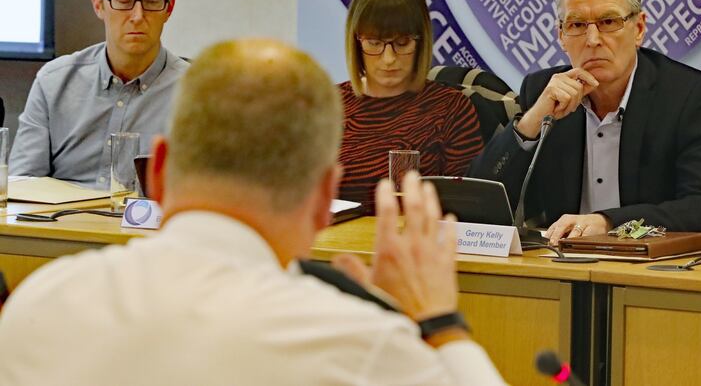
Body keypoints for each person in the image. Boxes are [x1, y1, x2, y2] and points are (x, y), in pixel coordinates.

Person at [0, 39, 505, 385]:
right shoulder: (354, 342)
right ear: (322, 197)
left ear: (157, 172)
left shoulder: (37, 303)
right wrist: (439, 322)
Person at [470, 0, 701, 245]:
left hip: (650, 270)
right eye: (577, 24)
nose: (592, 39)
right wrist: (531, 122)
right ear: (561, 35)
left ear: (639, 28)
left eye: (608, 21)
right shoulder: (541, 91)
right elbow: (480, 200)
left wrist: (608, 222)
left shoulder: (690, 96)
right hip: (563, 266)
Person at [9, 0, 188, 188]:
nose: (137, 16)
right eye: (123, 1)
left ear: (169, 8)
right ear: (98, 5)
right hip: (60, 226)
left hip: (146, 227)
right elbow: (21, 188)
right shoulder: (54, 82)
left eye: (152, 1)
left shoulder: (196, 93)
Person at [338, 0, 483, 212]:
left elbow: (470, 210)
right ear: (356, 41)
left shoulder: (451, 109)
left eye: (402, 43)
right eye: (374, 43)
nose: (388, 58)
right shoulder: (327, 108)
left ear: (421, 40)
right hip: (332, 248)